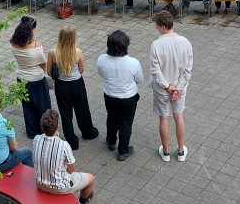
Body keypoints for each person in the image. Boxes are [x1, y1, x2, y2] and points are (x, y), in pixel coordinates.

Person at [149, 11, 192, 163]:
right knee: (179, 116)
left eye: (156, 26)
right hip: (180, 88)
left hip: (162, 89)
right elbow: (187, 70)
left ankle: (166, 152)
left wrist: (168, 87)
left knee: (164, 119)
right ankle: (181, 151)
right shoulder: (186, 42)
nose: (156, 29)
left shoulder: (156, 44)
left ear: (162, 26)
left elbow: (155, 71)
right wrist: (178, 88)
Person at [45, 27, 98, 151]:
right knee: (82, 109)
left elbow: (48, 71)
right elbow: (81, 70)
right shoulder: (78, 51)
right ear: (73, 38)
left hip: (61, 86)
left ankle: (72, 141)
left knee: (65, 113)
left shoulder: (53, 52)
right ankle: (88, 132)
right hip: (77, 84)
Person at [95, 30, 143, 162]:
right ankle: (123, 151)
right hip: (128, 98)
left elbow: (100, 73)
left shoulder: (101, 59)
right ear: (125, 46)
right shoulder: (133, 62)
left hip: (110, 96)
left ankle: (111, 141)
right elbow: (140, 79)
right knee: (126, 124)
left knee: (111, 118)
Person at [32, 109, 95, 204]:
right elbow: (72, 169)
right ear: (58, 126)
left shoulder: (36, 139)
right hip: (59, 187)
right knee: (91, 178)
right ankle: (81, 202)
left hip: (40, 184)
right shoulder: (63, 145)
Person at [10, 16, 51, 138]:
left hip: (22, 78)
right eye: (34, 29)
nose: (35, 31)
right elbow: (43, 65)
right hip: (37, 79)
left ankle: (32, 132)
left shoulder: (13, 43)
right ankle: (46, 130)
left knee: (27, 106)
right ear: (30, 31)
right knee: (43, 105)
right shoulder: (36, 46)